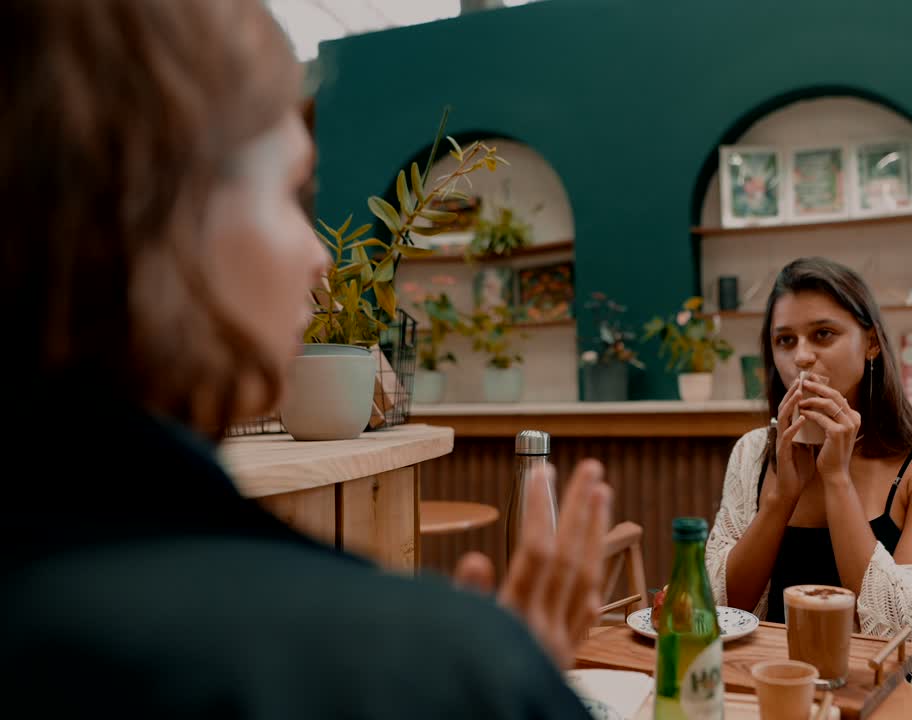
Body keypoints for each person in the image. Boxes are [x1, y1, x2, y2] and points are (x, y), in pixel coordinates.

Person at [0, 2, 606, 717]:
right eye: (293, 194)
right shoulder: (413, 671)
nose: (320, 259)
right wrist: (493, 683)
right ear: (152, 204)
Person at [705, 257, 912, 720]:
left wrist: (836, 480)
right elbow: (721, 608)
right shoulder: (754, 452)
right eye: (785, 340)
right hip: (769, 692)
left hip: (884, 703)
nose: (802, 357)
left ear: (871, 343)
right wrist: (780, 498)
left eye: (823, 334)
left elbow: (904, 633)